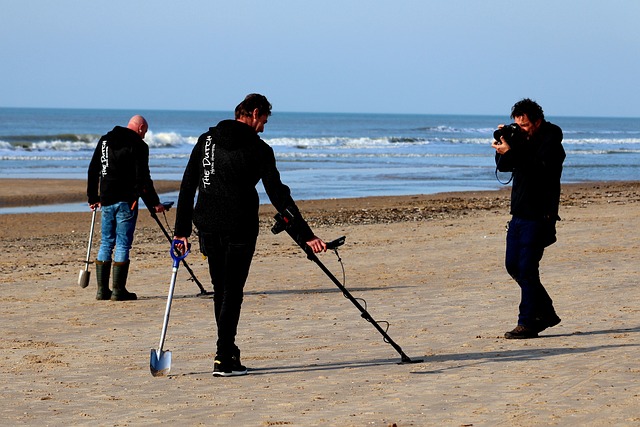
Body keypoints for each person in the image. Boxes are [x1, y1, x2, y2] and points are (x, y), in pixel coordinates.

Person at [173, 94, 326, 377]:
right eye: (264, 120)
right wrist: (306, 235)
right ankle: (223, 356)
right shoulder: (259, 149)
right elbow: (279, 195)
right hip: (239, 227)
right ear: (255, 113)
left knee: (222, 290)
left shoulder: (206, 141)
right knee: (232, 292)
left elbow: (187, 186)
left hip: (206, 224)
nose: (264, 128)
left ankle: (228, 353)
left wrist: (180, 232)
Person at [491, 98, 565, 339]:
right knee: (513, 266)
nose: (521, 129)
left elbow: (540, 168)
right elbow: (504, 167)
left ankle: (527, 323)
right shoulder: (521, 139)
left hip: (540, 214)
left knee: (527, 268)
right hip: (519, 213)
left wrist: (514, 149)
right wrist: (504, 145)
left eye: (524, 126)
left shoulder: (552, 137)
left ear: (537, 121)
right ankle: (547, 312)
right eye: (518, 125)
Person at [87, 115, 165, 301]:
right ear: (140, 128)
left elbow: (93, 169)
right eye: (144, 132)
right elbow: (143, 179)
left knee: (106, 242)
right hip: (126, 200)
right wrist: (154, 203)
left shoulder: (105, 140)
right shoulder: (138, 145)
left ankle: (102, 290)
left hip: (106, 199)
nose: (144, 136)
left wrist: (93, 197)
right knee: (122, 243)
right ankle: (118, 290)